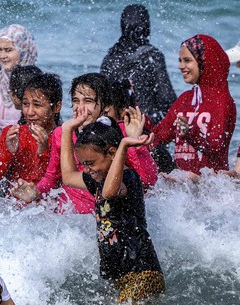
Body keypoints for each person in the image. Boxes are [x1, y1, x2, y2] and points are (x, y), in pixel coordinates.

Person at [60, 115, 165, 305]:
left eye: (90, 163)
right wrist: (67, 131)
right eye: (84, 164)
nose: (87, 170)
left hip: (141, 271)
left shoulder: (128, 178)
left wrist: (124, 146)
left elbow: (110, 192)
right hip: (119, 274)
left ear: (111, 153)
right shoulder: (98, 180)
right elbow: (67, 177)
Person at [24, 73, 158, 212]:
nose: (80, 107)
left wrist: (136, 144)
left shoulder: (120, 132)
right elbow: (53, 177)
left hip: (106, 212)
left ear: (104, 105)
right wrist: (35, 193)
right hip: (71, 219)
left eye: (88, 101)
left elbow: (148, 180)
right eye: (76, 101)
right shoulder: (62, 133)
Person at [150, 33, 236, 176]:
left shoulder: (223, 101)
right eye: (180, 60)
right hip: (184, 187)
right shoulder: (185, 99)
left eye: (187, 60)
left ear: (204, 62)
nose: (180, 66)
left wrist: (190, 134)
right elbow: (161, 136)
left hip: (212, 185)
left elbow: (216, 147)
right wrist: (142, 125)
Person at [0, 71, 61, 199]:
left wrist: (44, 152)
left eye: (37, 105)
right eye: (26, 104)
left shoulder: (64, 138)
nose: (29, 112)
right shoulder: (12, 134)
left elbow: (56, 186)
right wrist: (7, 153)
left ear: (57, 107)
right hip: (12, 209)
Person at [101, 5, 177, 137]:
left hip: (117, 130)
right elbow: (167, 98)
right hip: (146, 129)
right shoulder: (152, 55)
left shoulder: (110, 59)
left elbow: (103, 100)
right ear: (147, 27)